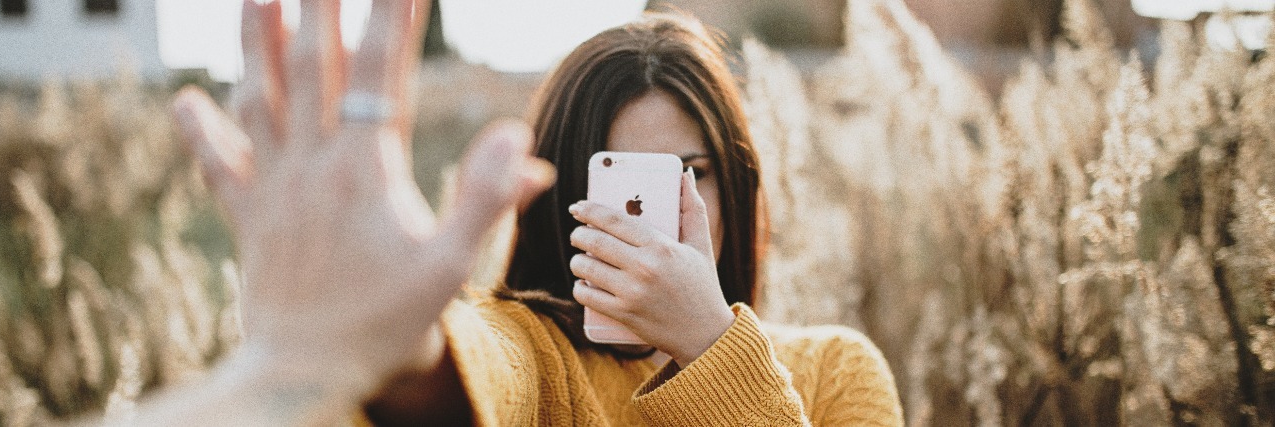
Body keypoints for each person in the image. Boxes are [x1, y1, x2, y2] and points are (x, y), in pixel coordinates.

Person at [114, 0, 902, 425]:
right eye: (621, 184)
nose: (659, 220)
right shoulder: (533, 350)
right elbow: (470, 370)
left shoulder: (833, 371)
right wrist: (389, 357)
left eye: (692, 174)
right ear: (559, 200)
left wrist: (710, 348)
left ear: (739, 180)